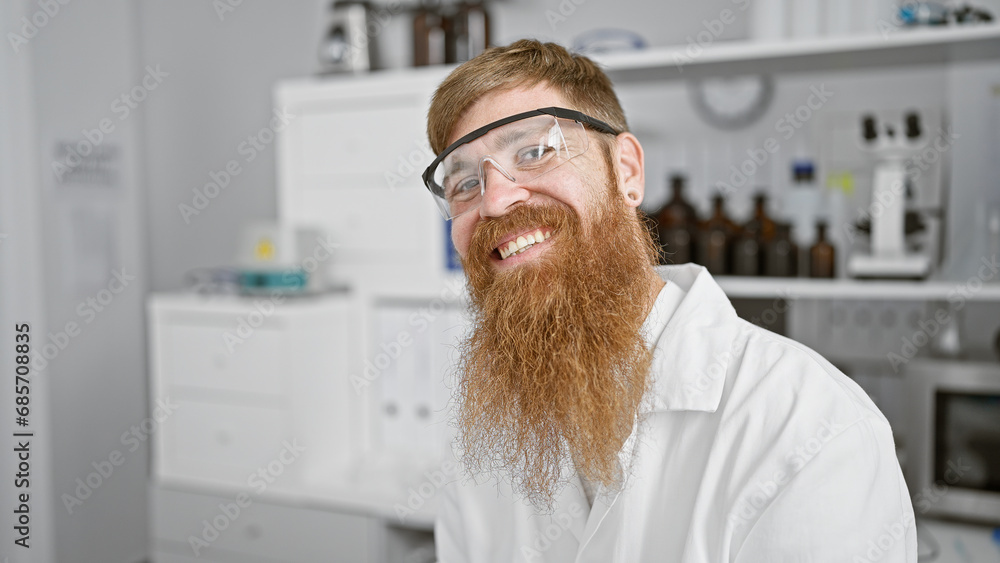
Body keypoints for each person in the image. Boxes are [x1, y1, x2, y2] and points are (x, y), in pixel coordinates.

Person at [422, 39, 917, 562]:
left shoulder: (810, 428)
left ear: (627, 171)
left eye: (535, 151)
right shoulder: (488, 435)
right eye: (464, 183)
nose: (495, 199)